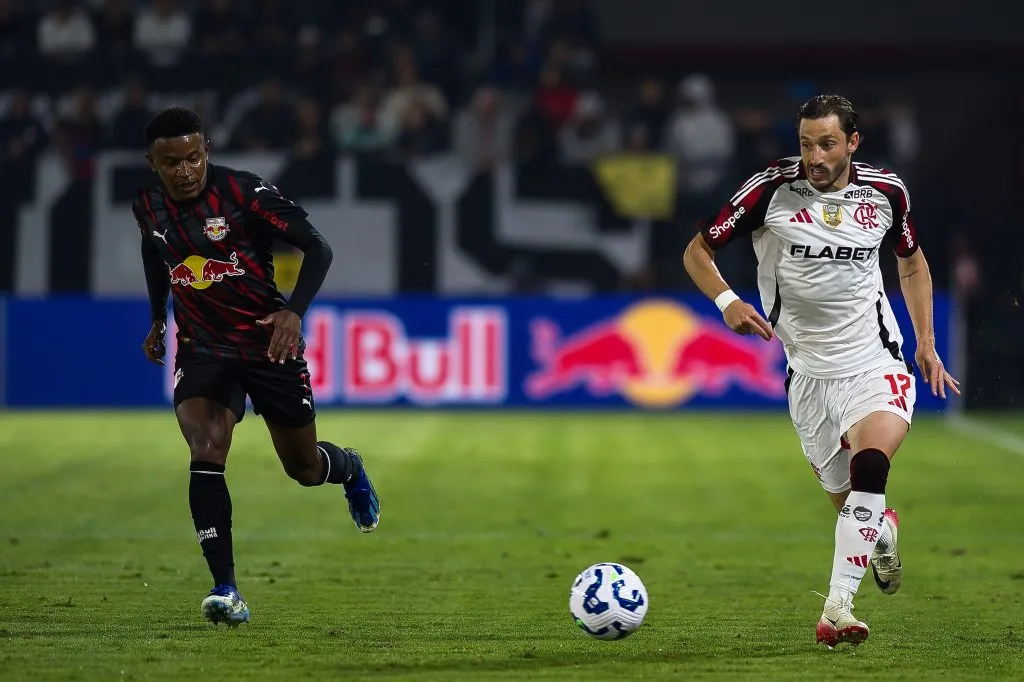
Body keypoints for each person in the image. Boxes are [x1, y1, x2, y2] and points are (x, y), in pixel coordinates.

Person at [682, 94, 959, 648]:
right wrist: (727, 302)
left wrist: (925, 341)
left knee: (871, 466)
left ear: (852, 143)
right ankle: (880, 530)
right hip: (807, 375)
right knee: (851, 502)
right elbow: (696, 251)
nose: (815, 155)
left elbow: (912, 262)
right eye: (807, 143)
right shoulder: (769, 190)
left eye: (827, 143)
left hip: (874, 361)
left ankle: (838, 608)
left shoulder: (886, 193)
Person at [132, 107, 380, 627]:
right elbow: (156, 255)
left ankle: (349, 466)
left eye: (194, 157)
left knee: (305, 468)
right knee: (206, 448)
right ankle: (226, 589)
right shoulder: (147, 205)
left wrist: (293, 311)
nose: (186, 170)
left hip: (268, 346)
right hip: (202, 347)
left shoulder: (244, 193)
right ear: (153, 163)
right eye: (172, 161)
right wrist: (158, 318)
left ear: (207, 151)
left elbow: (319, 247)